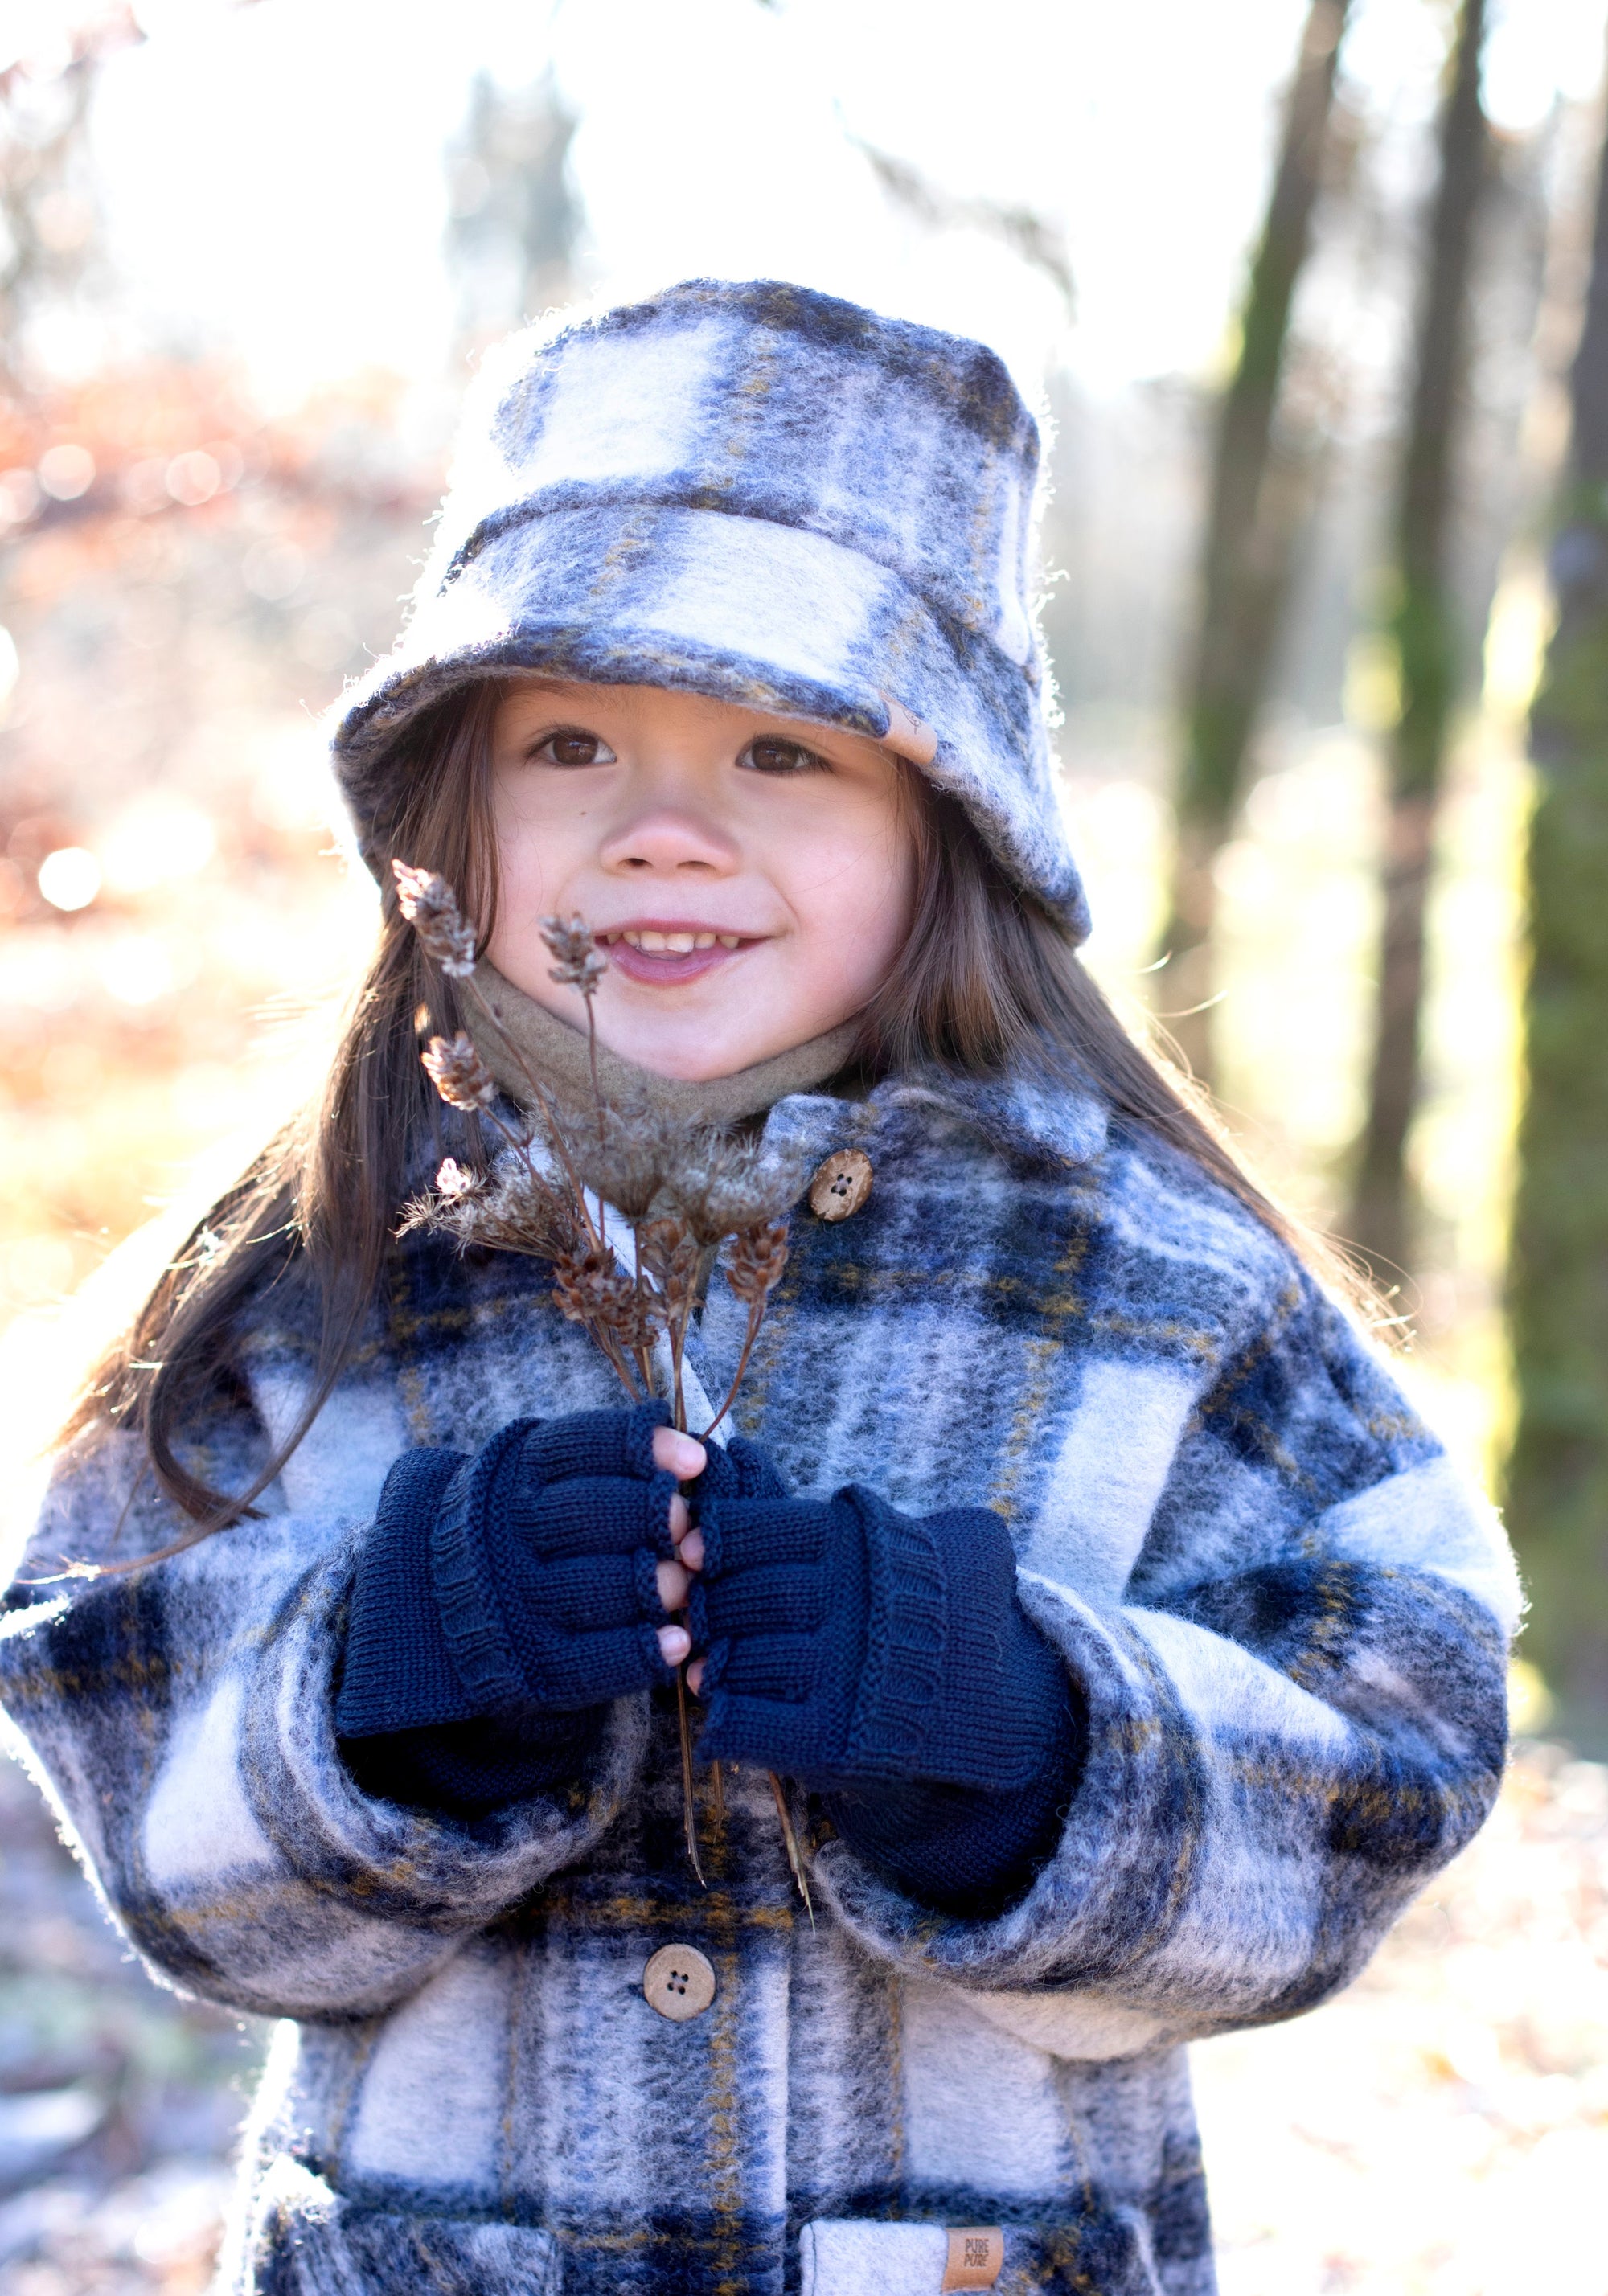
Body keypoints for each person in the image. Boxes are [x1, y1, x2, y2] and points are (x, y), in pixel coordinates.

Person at [0, 280, 1517, 2296]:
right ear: (447, 810)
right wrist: (382, 1699)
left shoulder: (1140, 1279)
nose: (662, 830)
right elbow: (128, 1760)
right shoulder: (312, 1287)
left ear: (947, 822)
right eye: (567, 742)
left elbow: (1395, 1734)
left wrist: (1028, 1744)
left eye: (785, 748)